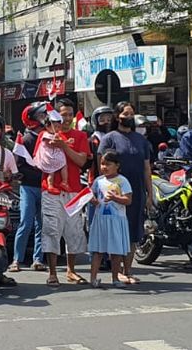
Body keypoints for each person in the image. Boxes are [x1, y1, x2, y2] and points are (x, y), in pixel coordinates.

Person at [97, 104, 154, 283]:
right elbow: (102, 168)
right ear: (117, 116)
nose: (129, 116)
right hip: (114, 192)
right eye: (125, 113)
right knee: (117, 231)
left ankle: (128, 270)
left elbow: (146, 169)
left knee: (133, 231)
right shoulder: (109, 139)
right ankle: (118, 271)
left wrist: (150, 194)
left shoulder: (141, 140)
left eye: (131, 113)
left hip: (135, 191)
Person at [39, 100, 91, 287]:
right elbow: (40, 160)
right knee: (51, 230)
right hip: (51, 190)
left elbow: (81, 161)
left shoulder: (80, 136)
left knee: (74, 231)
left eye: (70, 114)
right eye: (63, 115)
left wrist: (64, 147)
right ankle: (52, 273)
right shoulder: (45, 135)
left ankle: (71, 271)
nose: (66, 119)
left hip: (74, 190)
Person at [10, 101, 47, 272]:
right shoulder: (25, 140)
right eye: (41, 115)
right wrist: (36, 171)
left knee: (42, 224)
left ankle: (38, 259)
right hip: (28, 188)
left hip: (45, 187)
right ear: (31, 118)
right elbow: (18, 166)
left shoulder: (47, 137)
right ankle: (17, 260)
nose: (44, 118)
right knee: (26, 223)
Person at [88, 151, 133, 288]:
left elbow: (128, 200)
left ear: (117, 165)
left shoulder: (122, 181)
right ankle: (93, 278)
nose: (104, 167)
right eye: (102, 164)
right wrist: (93, 200)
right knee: (98, 250)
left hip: (116, 220)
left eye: (108, 164)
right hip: (100, 219)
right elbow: (92, 195)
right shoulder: (98, 181)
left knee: (116, 251)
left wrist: (115, 198)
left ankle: (115, 278)